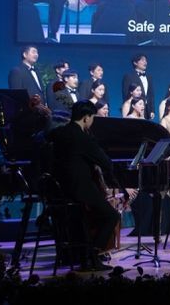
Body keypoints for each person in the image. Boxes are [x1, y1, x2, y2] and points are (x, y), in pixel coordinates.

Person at [48, 101, 119, 270]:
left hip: (59, 190)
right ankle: (92, 255)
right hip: (79, 188)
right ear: (86, 118)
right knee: (111, 215)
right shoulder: (82, 138)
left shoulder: (59, 133)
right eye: (92, 117)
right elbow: (106, 163)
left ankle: (84, 254)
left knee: (91, 215)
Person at [121, 53, 154, 119]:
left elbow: (151, 94)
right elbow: (126, 94)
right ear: (135, 63)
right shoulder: (129, 76)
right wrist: (128, 108)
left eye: (146, 60)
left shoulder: (149, 77)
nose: (145, 62)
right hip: (134, 109)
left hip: (147, 109)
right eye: (142, 60)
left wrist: (152, 110)